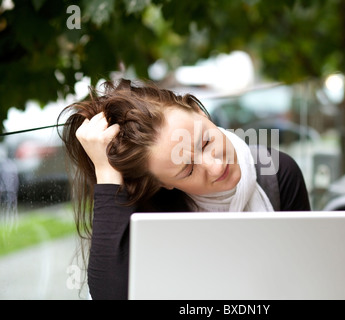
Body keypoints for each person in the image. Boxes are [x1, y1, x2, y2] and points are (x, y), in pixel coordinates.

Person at [58, 78, 311, 300]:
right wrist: (107, 172)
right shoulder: (152, 216)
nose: (216, 166)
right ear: (163, 184)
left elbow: (306, 280)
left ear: (200, 111)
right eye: (188, 170)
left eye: (206, 141)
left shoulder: (276, 174)